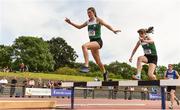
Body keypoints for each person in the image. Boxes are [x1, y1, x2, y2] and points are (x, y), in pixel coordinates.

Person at [65, 7, 121, 81]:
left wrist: (113, 30)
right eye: (87, 13)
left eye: (90, 12)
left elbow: (107, 25)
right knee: (98, 62)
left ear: (94, 13)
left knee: (84, 46)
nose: (88, 14)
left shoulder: (98, 20)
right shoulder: (88, 22)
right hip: (92, 43)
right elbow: (79, 27)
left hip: (98, 42)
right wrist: (70, 22)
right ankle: (105, 73)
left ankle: (86, 65)